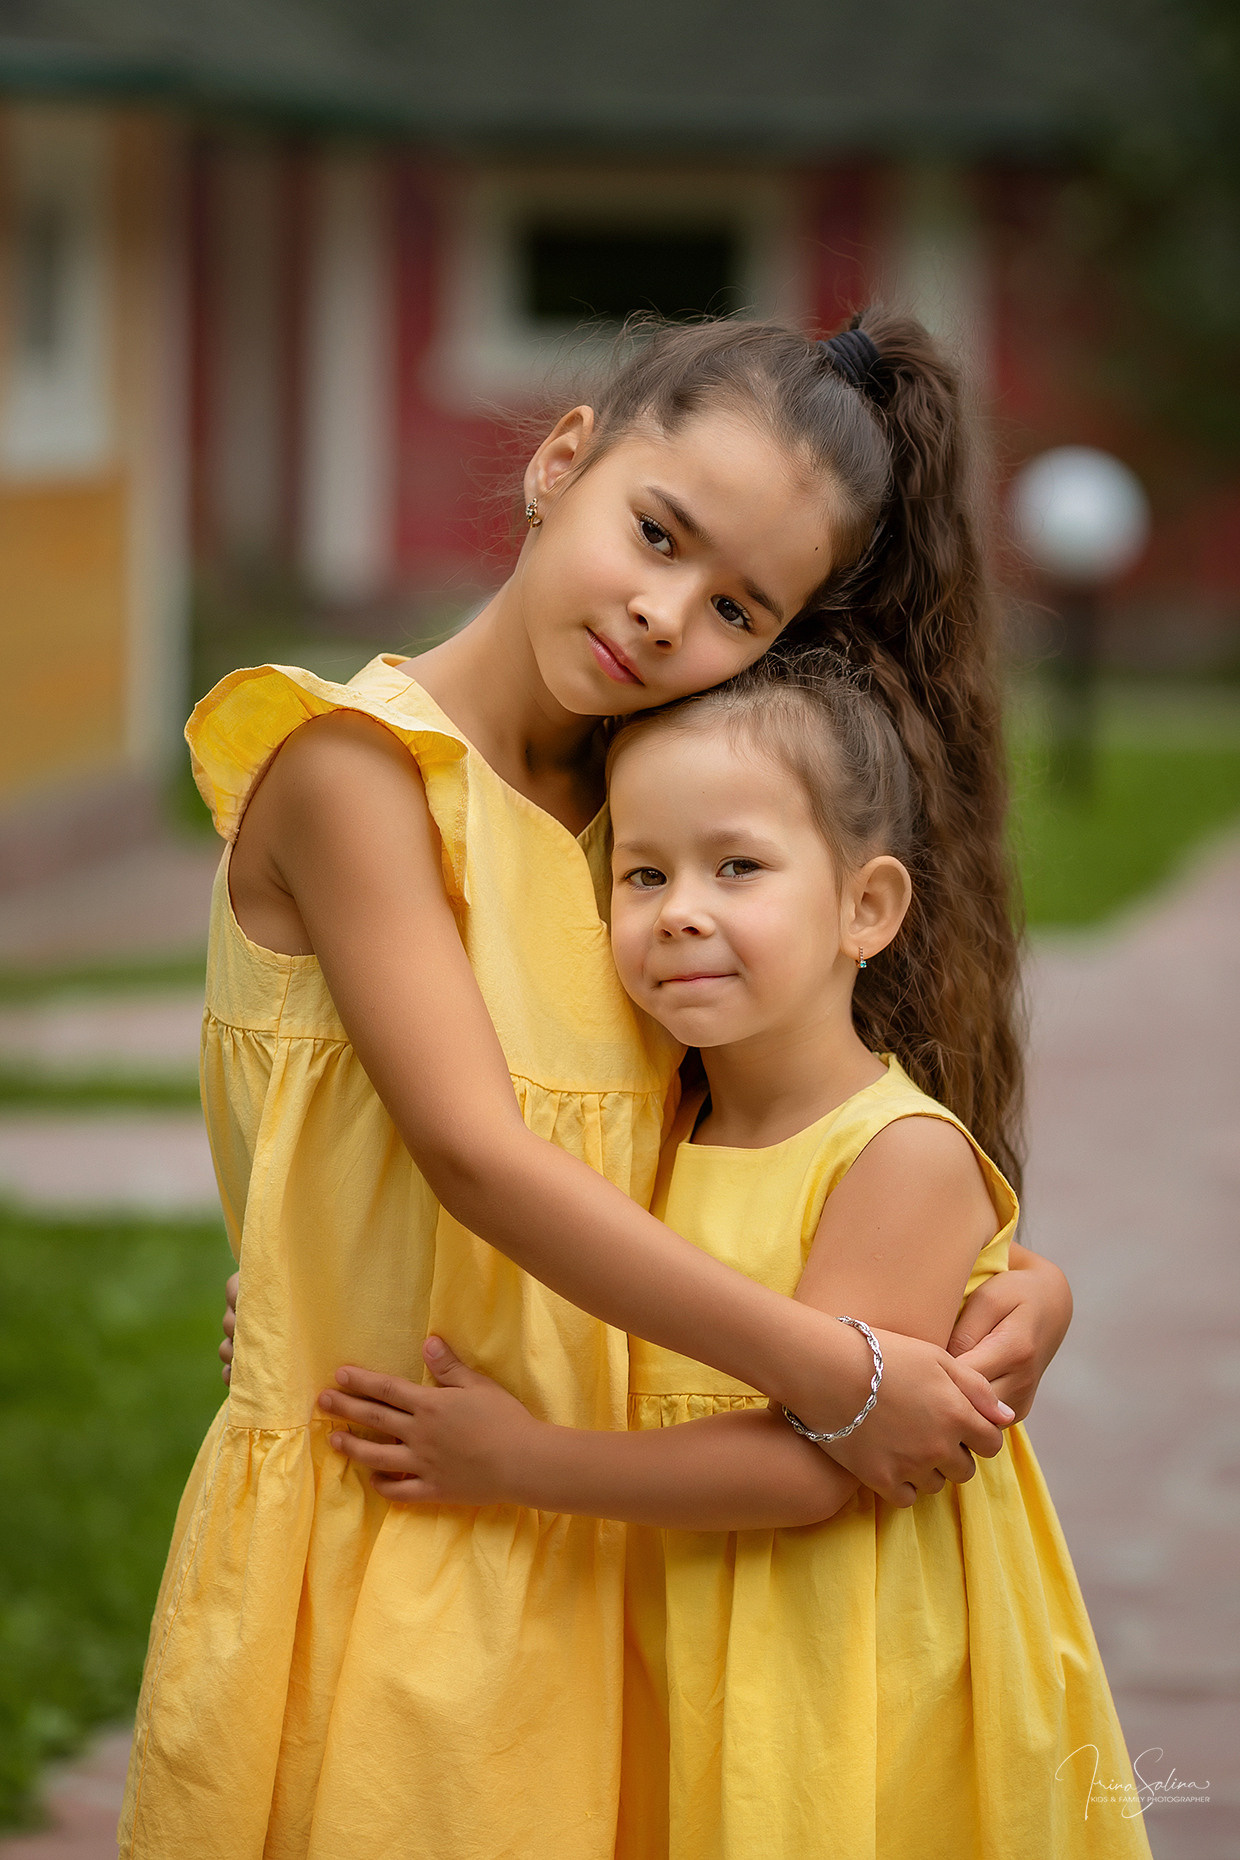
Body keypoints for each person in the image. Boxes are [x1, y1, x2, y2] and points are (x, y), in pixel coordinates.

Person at [121, 312, 1071, 1860]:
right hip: (405, 1524)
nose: (662, 612)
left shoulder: (655, 828)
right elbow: (478, 1160)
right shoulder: (361, 773)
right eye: (658, 532)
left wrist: (997, 1279)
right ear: (564, 460)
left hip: (620, 1545)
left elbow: (756, 1126)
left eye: (736, 607)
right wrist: (844, 1378)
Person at [327, 653, 1149, 1859]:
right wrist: (324, 1291)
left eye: (738, 868)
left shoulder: (898, 1153)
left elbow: (812, 1472)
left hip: (824, 1654)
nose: (680, 910)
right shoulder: (651, 1129)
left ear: (866, 908)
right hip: (675, 1627)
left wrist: (517, 1462)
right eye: (643, 873)